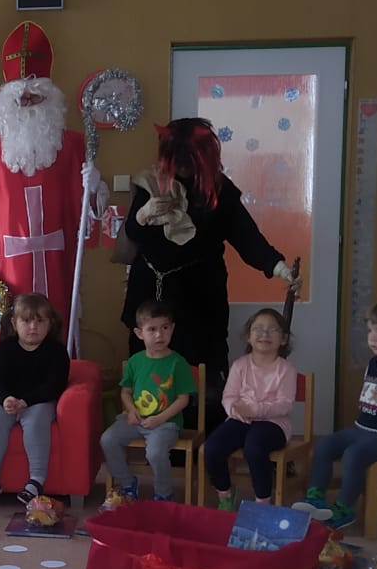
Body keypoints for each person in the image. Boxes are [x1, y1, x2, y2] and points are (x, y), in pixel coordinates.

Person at [113, 118, 292, 428]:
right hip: (152, 290)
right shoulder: (151, 183)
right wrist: (142, 216)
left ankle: (207, 440)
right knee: (150, 366)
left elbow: (247, 238)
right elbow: (134, 234)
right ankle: (154, 435)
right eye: (177, 159)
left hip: (200, 295)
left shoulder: (221, 192)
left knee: (204, 372)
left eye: (189, 160)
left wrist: (278, 266)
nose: (182, 166)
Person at [0, 21, 101, 302]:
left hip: (57, 264)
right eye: (20, 99)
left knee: (55, 319)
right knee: (2, 323)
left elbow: (87, 216)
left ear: (49, 99)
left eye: (35, 98)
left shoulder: (72, 146)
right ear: (7, 104)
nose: (28, 105)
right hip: (2, 266)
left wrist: (95, 191)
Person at [295, 296, 377, 529]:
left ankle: (345, 507)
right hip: (362, 430)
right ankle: (315, 498)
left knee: (354, 455)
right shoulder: (374, 363)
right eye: (370, 331)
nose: (372, 338)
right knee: (325, 444)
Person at [0, 292, 71, 504]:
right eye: (26, 321)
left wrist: (26, 401)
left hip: (39, 401)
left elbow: (55, 385)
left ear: (50, 323)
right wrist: (5, 399)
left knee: (36, 421)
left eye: (40, 321)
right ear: (14, 323)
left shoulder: (56, 351)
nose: (33, 327)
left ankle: (36, 480)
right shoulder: (5, 349)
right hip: (9, 401)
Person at [200, 307, 299, 506]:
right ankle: (225, 495)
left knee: (254, 448)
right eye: (258, 329)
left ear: (284, 339)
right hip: (240, 419)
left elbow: (284, 404)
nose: (265, 334)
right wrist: (234, 410)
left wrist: (254, 410)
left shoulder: (286, 369)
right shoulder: (239, 365)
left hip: (274, 424)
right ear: (248, 337)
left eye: (272, 330)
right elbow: (229, 396)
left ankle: (262, 502)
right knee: (211, 448)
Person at [101, 298, 197, 501]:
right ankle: (127, 483)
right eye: (152, 329)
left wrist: (160, 418)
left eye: (164, 328)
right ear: (139, 333)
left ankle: (163, 494)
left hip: (166, 423)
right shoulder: (135, 361)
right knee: (107, 440)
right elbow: (125, 392)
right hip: (135, 419)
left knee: (154, 453)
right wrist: (131, 410)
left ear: (172, 328)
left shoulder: (178, 363)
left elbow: (183, 399)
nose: (159, 335)